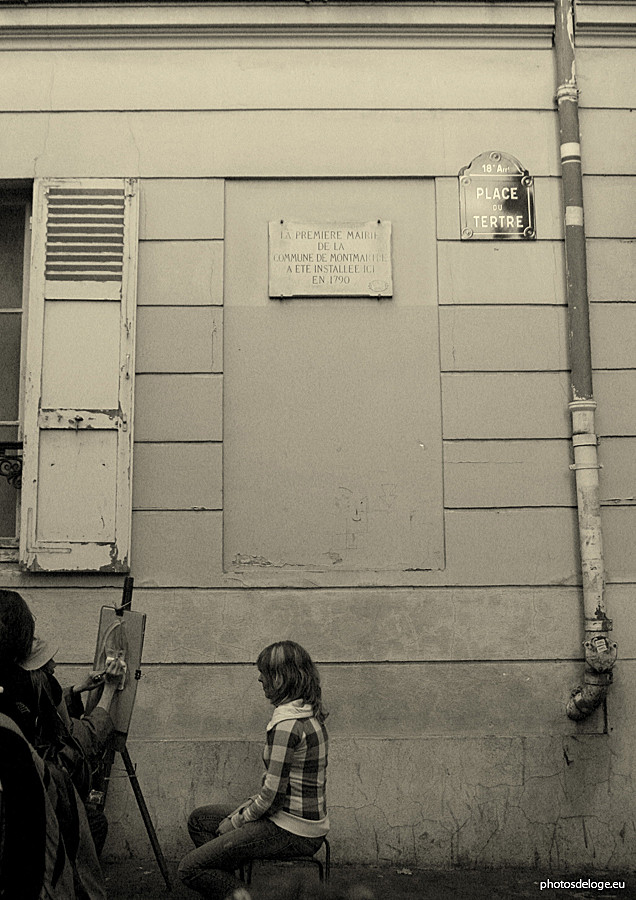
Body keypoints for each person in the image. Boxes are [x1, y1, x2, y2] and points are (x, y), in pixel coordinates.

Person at [179, 640, 329, 900]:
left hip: (292, 830)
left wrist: (235, 822)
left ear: (280, 678)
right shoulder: (307, 713)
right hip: (296, 822)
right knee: (200, 820)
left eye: (264, 673)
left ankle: (241, 895)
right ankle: (232, 888)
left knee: (190, 868)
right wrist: (239, 817)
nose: (259, 679)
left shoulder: (287, 725)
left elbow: (272, 798)